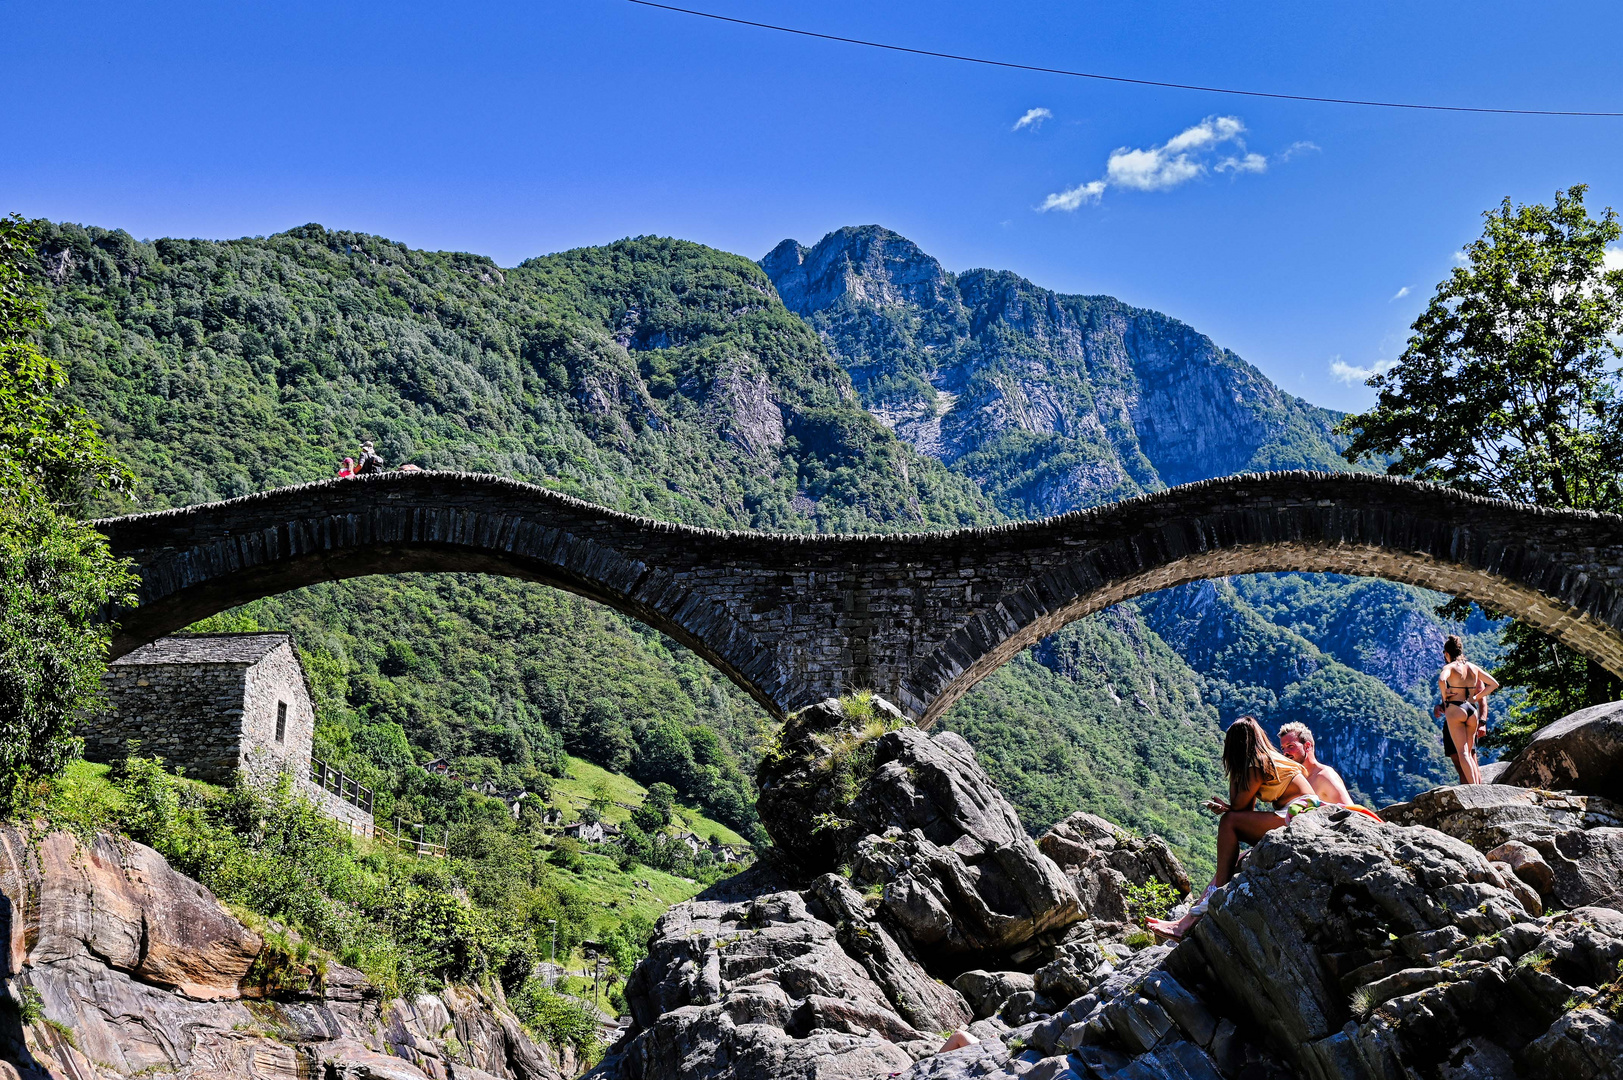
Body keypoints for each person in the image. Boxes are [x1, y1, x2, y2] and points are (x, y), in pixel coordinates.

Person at [1146, 716, 1318, 943]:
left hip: (1299, 816)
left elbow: (1237, 808)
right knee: (1229, 861)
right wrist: (1233, 802)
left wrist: (1235, 772)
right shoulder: (1265, 759)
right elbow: (1245, 807)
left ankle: (1202, 907)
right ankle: (1185, 923)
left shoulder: (1257, 763)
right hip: (1300, 813)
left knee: (1228, 824)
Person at [1437, 634, 1497, 785]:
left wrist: (1445, 694)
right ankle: (1479, 786)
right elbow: (1494, 684)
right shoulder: (1472, 667)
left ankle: (1474, 789)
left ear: (1447, 654)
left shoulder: (1449, 667)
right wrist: (1477, 697)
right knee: (1470, 754)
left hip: (1456, 708)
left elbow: (1442, 679)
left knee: (1462, 753)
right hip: (1471, 709)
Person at [1277, 722, 1355, 805]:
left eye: (1290, 746)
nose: (1285, 752)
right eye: (1283, 748)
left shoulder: (1324, 776)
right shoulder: (1295, 779)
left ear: (1307, 746)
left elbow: (1350, 810)